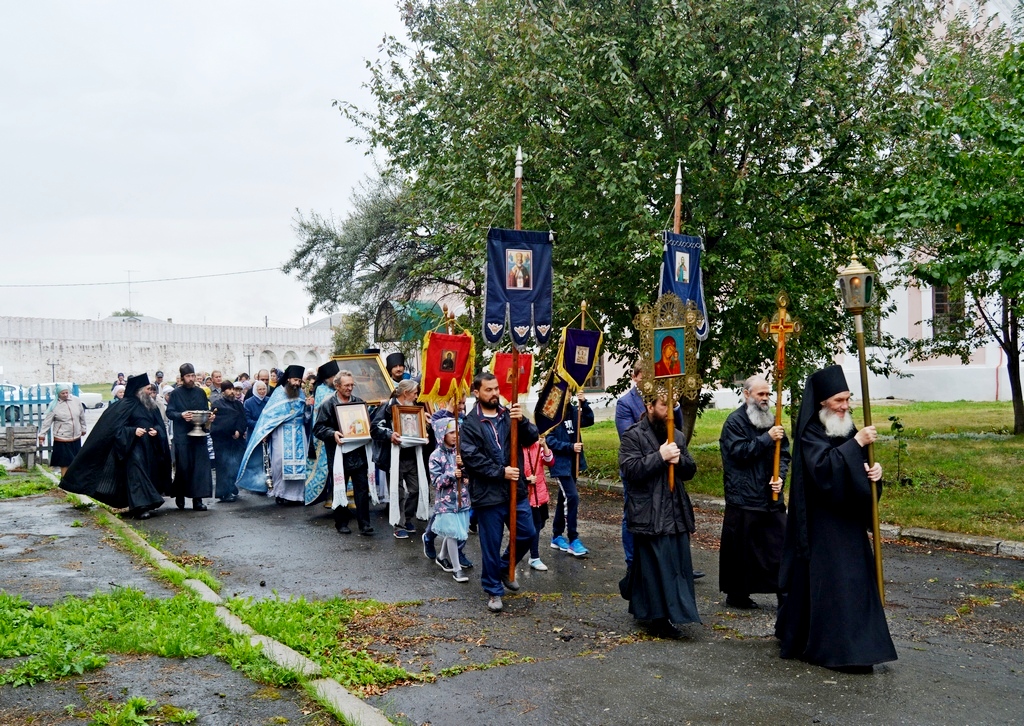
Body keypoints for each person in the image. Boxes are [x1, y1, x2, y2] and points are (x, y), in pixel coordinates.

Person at [775, 365, 896, 672]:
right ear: (822, 403)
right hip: (822, 527)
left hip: (849, 523)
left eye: (847, 399)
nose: (845, 406)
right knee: (835, 586)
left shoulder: (847, 429)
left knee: (855, 582)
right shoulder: (812, 433)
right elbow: (823, 471)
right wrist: (856, 446)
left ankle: (863, 647)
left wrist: (874, 474)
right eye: (839, 401)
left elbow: (856, 469)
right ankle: (835, 649)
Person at [618, 392, 700, 639]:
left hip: (675, 510)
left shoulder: (677, 435)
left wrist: (678, 461)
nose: (668, 410)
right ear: (650, 406)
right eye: (664, 405)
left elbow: (690, 470)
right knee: (655, 568)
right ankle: (658, 619)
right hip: (649, 512)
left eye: (672, 405)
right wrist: (660, 457)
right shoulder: (633, 435)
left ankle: (668, 611)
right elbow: (630, 469)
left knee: (675, 564)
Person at [460, 371, 539, 613]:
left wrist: (523, 421)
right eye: (489, 390)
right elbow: (472, 458)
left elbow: (531, 438)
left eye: (496, 389)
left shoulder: (508, 415)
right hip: (487, 494)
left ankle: (505, 567)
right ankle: (493, 589)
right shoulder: (471, 423)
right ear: (477, 392)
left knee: (528, 533)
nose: (495, 394)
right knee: (490, 545)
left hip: (516, 490)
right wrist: (500, 471)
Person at [718, 375, 789, 609]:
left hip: (770, 496)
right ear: (747, 394)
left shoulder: (772, 420)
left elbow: (784, 453)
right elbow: (739, 452)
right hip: (744, 496)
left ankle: (785, 591)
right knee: (743, 551)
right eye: (761, 394)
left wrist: (780, 477)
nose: (765, 399)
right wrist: (766, 438)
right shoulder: (734, 422)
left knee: (780, 544)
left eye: (768, 394)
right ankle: (738, 594)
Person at [60, 374, 169, 519]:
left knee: (149, 474)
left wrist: (157, 430)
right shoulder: (124, 405)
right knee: (137, 474)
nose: (150, 391)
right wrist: (132, 431)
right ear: (138, 390)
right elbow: (115, 430)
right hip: (132, 448)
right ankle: (139, 507)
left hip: (150, 447)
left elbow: (159, 424)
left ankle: (148, 504)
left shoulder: (151, 405)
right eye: (147, 389)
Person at [236, 365, 312, 504]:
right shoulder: (278, 393)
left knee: (301, 464)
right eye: (295, 380)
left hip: (299, 434)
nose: (297, 383)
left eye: (299, 381)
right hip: (281, 433)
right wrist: (265, 432)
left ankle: (297, 496)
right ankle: (281, 494)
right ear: (288, 379)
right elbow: (269, 416)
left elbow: (306, 417)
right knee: (279, 464)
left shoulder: (301, 394)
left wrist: (307, 406)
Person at [312, 370, 374, 535]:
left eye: (352, 385)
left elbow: (366, 424)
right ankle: (341, 523)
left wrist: (368, 431)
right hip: (339, 455)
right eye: (346, 385)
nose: (350, 388)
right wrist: (333, 434)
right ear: (337, 386)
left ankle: (365, 524)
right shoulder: (328, 404)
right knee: (339, 487)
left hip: (358, 454)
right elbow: (318, 428)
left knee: (361, 489)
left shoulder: (359, 403)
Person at [370, 379, 433, 538]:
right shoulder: (387, 408)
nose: (417, 396)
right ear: (406, 393)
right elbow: (374, 428)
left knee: (415, 489)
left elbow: (416, 429)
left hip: (412, 455)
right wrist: (390, 435)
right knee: (398, 492)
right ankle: (399, 524)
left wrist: (425, 428)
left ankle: (408, 518)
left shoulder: (414, 408)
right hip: (394, 456)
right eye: (415, 393)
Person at [546, 391, 594, 557]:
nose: (567, 396)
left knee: (563, 498)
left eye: (569, 393)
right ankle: (573, 538)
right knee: (572, 496)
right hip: (560, 464)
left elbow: (589, 420)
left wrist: (584, 403)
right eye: (564, 392)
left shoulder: (573, 410)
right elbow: (548, 439)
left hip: (573, 463)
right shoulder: (551, 412)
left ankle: (556, 535)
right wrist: (570, 447)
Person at [165, 363, 215, 511]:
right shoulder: (175, 394)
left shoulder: (200, 393)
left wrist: (209, 417)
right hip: (182, 438)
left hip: (199, 437)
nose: (191, 379)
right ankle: (180, 495)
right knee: (184, 468)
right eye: (188, 376)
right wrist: (181, 415)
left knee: (199, 469)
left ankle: (197, 500)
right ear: (182, 378)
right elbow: (170, 413)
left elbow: (205, 410)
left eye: (193, 375)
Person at [429, 418, 471, 583]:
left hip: (462, 499)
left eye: (457, 432)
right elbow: (436, 481)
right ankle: (457, 569)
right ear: (442, 434)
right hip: (446, 502)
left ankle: (441, 556)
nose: (455, 436)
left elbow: (469, 472)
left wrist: (465, 472)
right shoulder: (435, 456)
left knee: (455, 531)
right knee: (453, 532)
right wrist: (452, 474)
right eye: (451, 432)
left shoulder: (460, 452)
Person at [304, 360, 340, 507]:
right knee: (330, 468)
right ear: (327, 378)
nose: (337, 380)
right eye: (334, 377)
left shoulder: (335, 390)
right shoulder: (322, 391)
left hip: (340, 433)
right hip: (326, 436)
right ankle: (331, 497)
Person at [38, 383, 87, 476]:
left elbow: (81, 416)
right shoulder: (54, 405)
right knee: (64, 462)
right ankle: (64, 480)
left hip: (75, 436)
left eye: (66, 392)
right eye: (62, 393)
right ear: (58, 394)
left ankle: (73, 481)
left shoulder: (76, 401)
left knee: (75, 461)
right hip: (62, 437)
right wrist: (42, 435)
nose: (65, 395)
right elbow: (47, 422)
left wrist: (83, 428)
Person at [210, 380, 246, 503]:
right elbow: (219, 423)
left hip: (236, 440)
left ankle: (231, 486)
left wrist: (239, 431)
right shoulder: (217, 405)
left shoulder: (238, 404)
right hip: (223, 441)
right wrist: (232, 431)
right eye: (229, 389)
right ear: (223, 391)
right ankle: (224, 493)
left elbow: (243, 419)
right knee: (224, 466)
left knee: (235, 465)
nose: (232, 392)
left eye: (233, 389)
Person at [523, 437, 554, 571]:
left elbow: (550, 461)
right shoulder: (516, 449)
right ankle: (534, 557)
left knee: (542, 522)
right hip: (527, 496)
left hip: (540, 493)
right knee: (535, 526)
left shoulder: (538, 446)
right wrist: (526, 480)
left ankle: (525, 543)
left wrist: (544, 445)